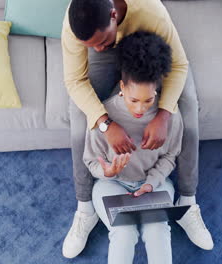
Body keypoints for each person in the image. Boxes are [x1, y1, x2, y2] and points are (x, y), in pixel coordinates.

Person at [62, 0, 213, 258]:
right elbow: (75, 80)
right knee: (79, 120)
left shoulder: (151, 11)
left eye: (99, 41)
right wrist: (104, 122)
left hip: (146, 44)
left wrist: (164, 115)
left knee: (187, 116)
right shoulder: (77, 25)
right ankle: (85, 208)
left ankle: (187, 201)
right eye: (90, 46)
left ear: (113, 15)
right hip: (110, 50)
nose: (96, 49)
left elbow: (179, 66)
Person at [85, 31, 179, 264]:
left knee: (157, 230)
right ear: (122, 87)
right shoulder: (104, 118)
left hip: (154, 184)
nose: (140, 109)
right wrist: (106, 172)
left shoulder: (170, 118)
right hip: (111, 185)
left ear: (157, 90)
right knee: (124, 233)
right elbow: (90, 161)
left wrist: (151, 183)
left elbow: (170, 156)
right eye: (134, 100)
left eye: (148, 100)